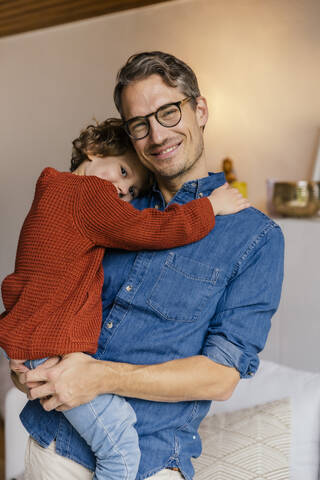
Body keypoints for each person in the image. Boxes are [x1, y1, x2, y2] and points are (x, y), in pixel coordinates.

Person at [12, 51, 284, 480]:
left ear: (200, 110)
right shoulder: (113, 203)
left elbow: (220, 378)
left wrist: (98, 377)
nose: (157, 135)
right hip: (52, 446)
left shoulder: (254, 236)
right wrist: (28, 367)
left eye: (169, 112)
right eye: (140, 124)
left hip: (148, 461)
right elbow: (51, 295)